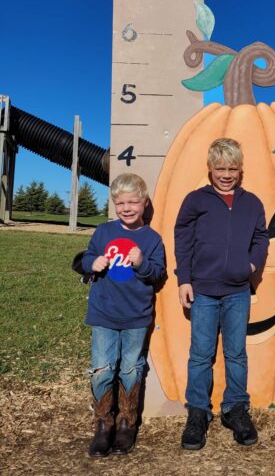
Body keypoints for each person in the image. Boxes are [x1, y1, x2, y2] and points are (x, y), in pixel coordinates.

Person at [174, 138, 269, 450]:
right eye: (220, 168)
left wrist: (251, 263)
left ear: (240, 170)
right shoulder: (195, 201)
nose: (226, 174)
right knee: (201, 354)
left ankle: (235, 409)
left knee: (236, 353)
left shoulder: (252, 203)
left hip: (237, 292)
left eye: (232, 168)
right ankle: (198, 412)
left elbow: (261, 237)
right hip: (202, 291)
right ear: (210, 168)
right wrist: (184, 279)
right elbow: (183, 239)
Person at [81, 173, 165, 457]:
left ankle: (126, 423)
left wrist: (141, 263)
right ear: (114, 205)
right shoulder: (103, 232)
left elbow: (158, 275)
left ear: (144, 203)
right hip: (103, 313)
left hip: (136, 316)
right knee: (102, 370)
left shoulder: (152, 239)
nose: (126, 208)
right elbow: (84, 259)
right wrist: (93, 262)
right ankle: (103, 425)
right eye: (120, 203)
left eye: (133, 202)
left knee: (131, 368)